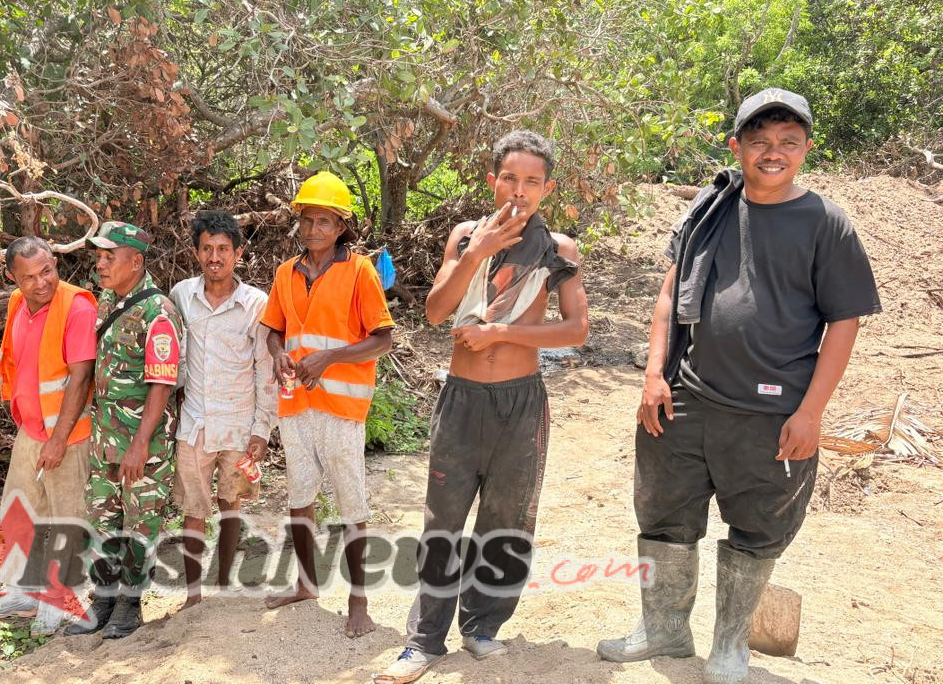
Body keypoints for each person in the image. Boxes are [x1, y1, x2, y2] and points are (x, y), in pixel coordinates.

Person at [596, 89, 880, 684]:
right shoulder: (710, 209)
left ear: (805, 148)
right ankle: (665, 628)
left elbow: (844, 322)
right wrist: (653, 375)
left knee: (758, 526)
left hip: (771, 415)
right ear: (737, 146)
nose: (772, 153)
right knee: (663, 512)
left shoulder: (826, 224)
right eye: (759, 142)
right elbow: (671, 295)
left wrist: (812, 414)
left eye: (787, 142)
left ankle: (730, 645)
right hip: (687, 397)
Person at [374, 130, 589, 683]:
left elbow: (576, 329)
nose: (519, 191)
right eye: (510, 178)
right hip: (462, 400)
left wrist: (502, 334)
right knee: (442, 520)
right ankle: (424, 640)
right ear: (493, 180)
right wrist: (477, 254)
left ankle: (482, 625)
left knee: (507, 520)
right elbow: (436, 310)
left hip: (521, 403)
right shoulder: (467, 235)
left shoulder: (558, 249)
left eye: (532, 181)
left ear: (548, 188)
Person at [259, 171, 395, 639]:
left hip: (341, 407)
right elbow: (273, 327)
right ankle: (306, 583)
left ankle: (359, 601)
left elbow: (384, 339)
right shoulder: (285, 273)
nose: (313, 228)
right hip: (296, 403)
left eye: (324, 220)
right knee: (300, 497)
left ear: (342, 227)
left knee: (350, 501)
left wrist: (330, 357)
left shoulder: (359, 272)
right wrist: (278, 353)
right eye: (307, 219)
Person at [65, 221, 182, 640]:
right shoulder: (105, 302)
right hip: (103, 443)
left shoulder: (159, 312)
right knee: (103, 520)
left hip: (141, 447)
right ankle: (103, 599)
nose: (100, 264)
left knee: (139, 523)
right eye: (98, 256)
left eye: (109, 257)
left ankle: (130, 605)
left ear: (136, 261)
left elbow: (161, 384)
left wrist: (138, 446)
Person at [169, 210, 275, 609]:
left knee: (232, 502)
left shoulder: (255, 305)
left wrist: (262, 429)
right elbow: (175, 361)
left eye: (223, 249)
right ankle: (193, 597)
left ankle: (224, 581)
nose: (215, 257)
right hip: (194, 424)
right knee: (193, 510)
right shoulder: (181, 296)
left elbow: (265, 369)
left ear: (238, 253)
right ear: (196, 253)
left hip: (239, 423)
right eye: (207, 249)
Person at [0, 236, 97, 622]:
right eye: (29, 277)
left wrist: (58, 440)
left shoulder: (77, 306)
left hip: (68, 434)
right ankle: (24, 591)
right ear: (12, 279)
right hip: (31, 430)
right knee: (21, 510)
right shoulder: (17, 303)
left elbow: (80, 378)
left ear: (55, 261)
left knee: (67, 514)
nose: (41, 283)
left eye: (47, 270)